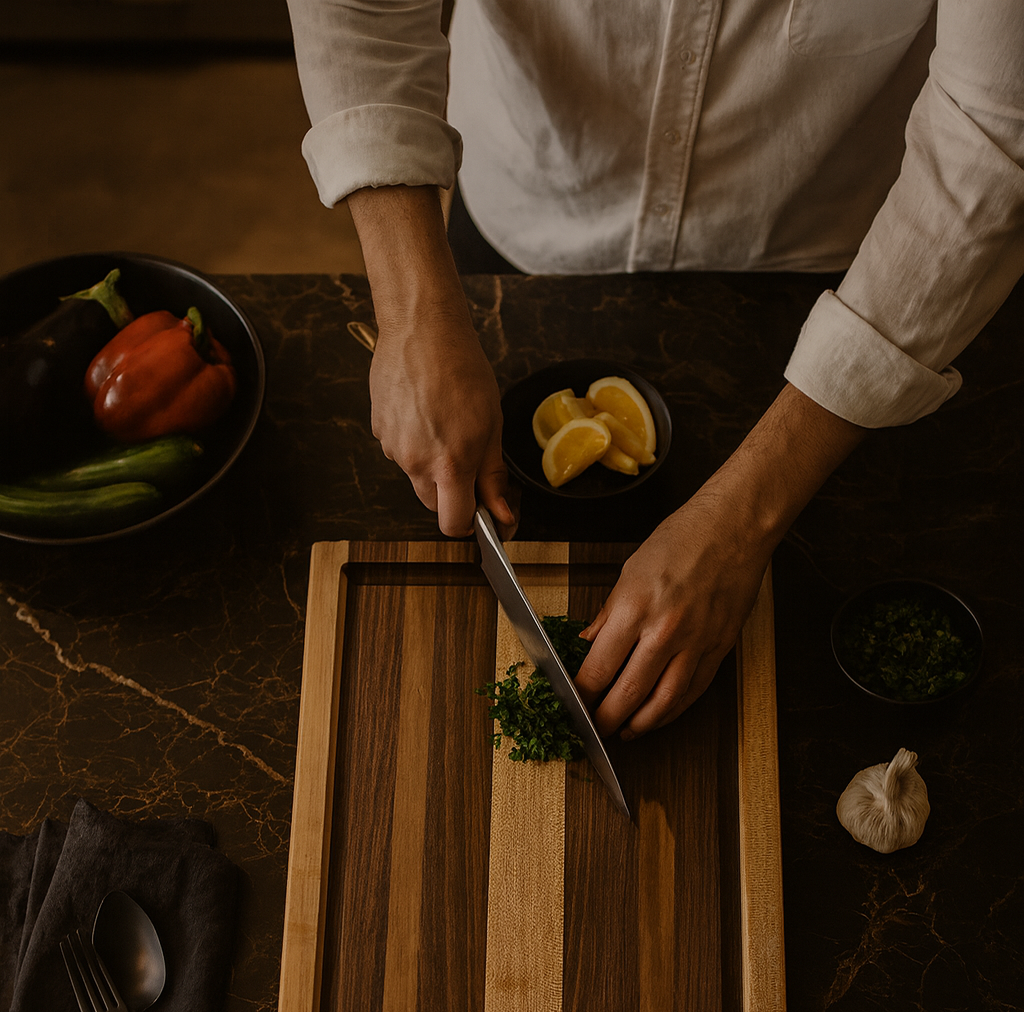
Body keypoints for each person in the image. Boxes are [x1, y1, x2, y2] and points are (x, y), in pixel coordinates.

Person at [285, 1, 1024, 740]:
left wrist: (743, 526)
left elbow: (994, 137)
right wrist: (413, 307)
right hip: (521, 200)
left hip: (847, 268)